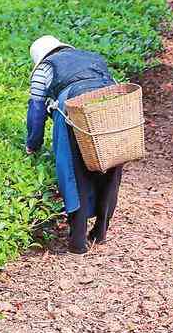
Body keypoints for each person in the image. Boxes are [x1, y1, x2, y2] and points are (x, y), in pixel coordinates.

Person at [26, 35, 125, 254]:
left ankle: (78, 242)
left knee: (72, 170)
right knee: (109, 163)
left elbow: (36, 111)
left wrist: (33, 144)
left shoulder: (45, 68)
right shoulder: (90, 56)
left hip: (73, 107)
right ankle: (100, 232)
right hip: (110, 105)